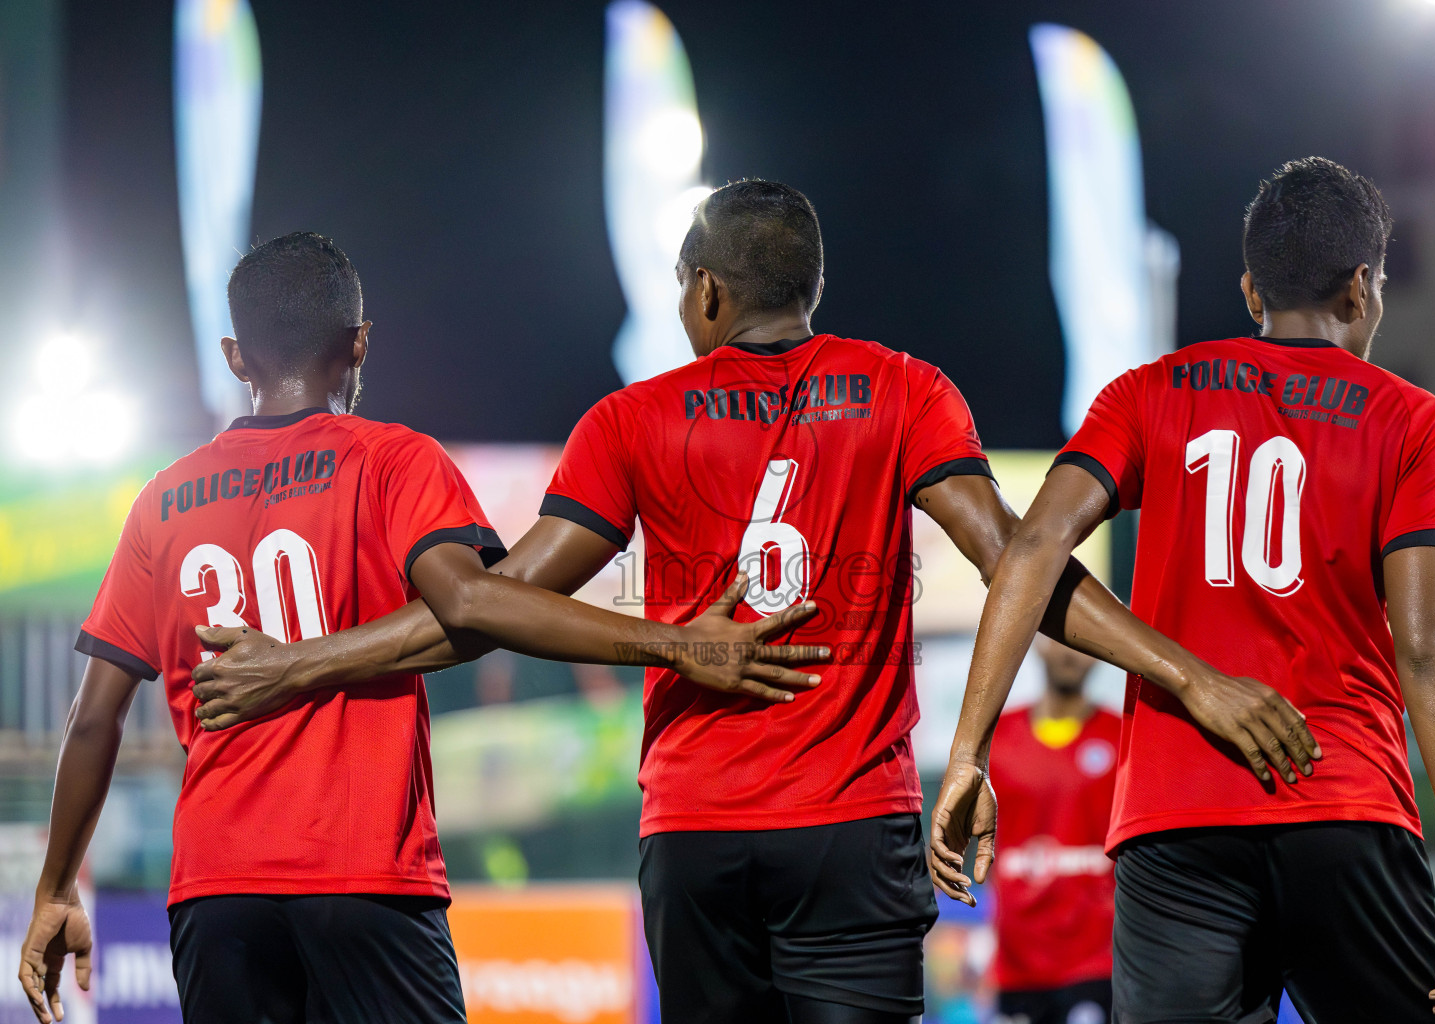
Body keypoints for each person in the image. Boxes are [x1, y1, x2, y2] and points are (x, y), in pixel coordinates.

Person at [185, 182, 1296, 1024]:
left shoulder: (634, 420)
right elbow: (1022, 562)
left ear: (707, 293)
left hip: (699, 834)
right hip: (853, 830)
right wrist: (1189, 673)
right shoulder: (906, 389)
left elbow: (487, 603)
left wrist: (301, 661)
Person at [15, 232, 826, 1024]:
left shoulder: (161, 500)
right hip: (365, 876)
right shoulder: (394, 461)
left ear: (235, 356)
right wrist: (679, 642)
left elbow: (92, 718)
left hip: (216, 893)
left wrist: (55, 890)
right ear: (359, 343)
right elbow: (472, 606)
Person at [930, 157, 1435, 1022]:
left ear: (1248, 289)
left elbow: (1029, 548)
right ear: (1362, 289)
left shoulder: (1150, 392)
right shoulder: (1416, 423)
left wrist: (968, 750)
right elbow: (1427, 646)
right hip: (1341, 800)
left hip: (1175, 817)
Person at [989, 637, 1118, 1024]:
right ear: (1036, 641)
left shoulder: (1122, 736)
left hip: (1097, 961)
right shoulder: (996, 738)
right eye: (1059, 636)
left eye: (1083, 638)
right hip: (1018, 963)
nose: (1069, 650)